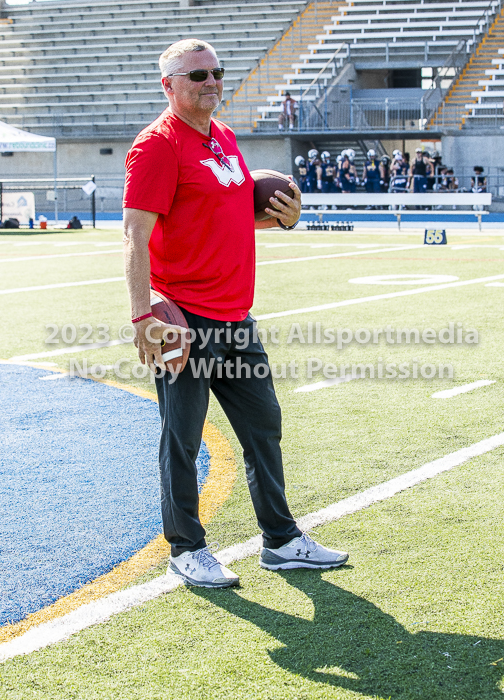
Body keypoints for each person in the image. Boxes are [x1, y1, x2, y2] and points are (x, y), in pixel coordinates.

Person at [123, 39, 348, 589]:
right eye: (197, 74)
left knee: (263, 427)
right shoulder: (156, 145)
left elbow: (227, 218)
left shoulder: (223, 138)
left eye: (217, 72)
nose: (211, 82)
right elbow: (135, 234)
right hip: (187, 321)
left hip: (236, 319)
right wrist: (141, 316)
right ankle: (187, 548)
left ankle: (281, 540)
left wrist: (283, 219)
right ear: (169, 85)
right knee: (183, 436)